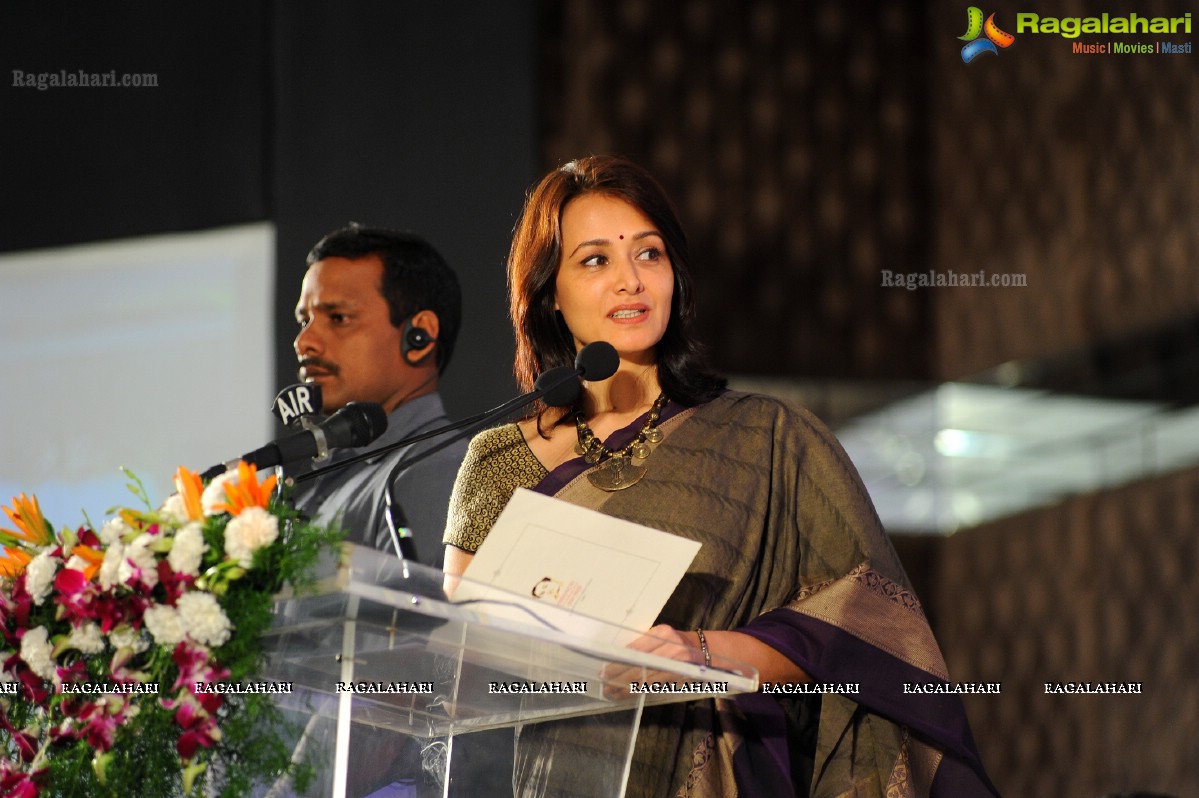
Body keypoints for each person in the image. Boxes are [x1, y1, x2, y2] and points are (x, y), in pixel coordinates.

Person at [442, 157, 1000, 797]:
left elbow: (859, 617)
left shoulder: (767, 439)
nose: (630, 279)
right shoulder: (497, 459)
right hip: (562, 775)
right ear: (549, 293)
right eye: (595, 260)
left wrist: (703, 654)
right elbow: (467, 658)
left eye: (648, 255)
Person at [289, 223, 466, 570]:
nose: (304, 342)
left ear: (420, 336)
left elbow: (418, 623)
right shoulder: (336, 470)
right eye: (304, 320)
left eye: (338, 318)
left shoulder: (436, 469)